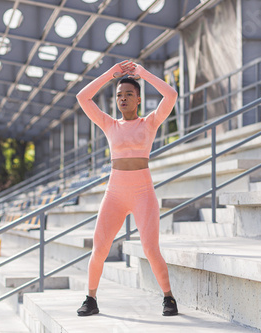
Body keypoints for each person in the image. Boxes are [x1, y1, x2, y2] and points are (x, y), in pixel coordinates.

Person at [75, 60, 179, 317]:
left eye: (129, 94)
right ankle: (91, 298)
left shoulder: (150, 123)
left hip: (143, 192)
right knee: (99, 247)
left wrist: (143, 74)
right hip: (115, 193)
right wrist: (110, 75)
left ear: (139, 100)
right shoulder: (110, 124)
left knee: (150, 248)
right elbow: (82, 97)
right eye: (119, 95)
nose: (123, 99)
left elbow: (171, 94)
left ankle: (168, 298)